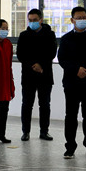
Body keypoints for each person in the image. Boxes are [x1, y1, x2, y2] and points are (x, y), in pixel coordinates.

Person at [57, 6, 86, 159]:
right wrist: (76, 69)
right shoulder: (66, 39)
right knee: (71, 115)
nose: (82, 20)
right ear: (72, 20)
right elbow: (62, 59)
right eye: (78, 18)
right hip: (71, 83)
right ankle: (70, 147)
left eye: (84, 17)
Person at [16, 8, 57, 141]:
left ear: (40, 20)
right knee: (27, 104)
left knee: (45, 105)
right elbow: (21, 55)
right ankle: (25, 132)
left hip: (45, 75)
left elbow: (51, 53)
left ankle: (44, 131)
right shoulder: (23, 35)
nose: (32, 22)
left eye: (35, 20)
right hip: (28, 76)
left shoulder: (50, 34)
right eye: (30, 20)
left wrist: (41, 65)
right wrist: (33, 65)